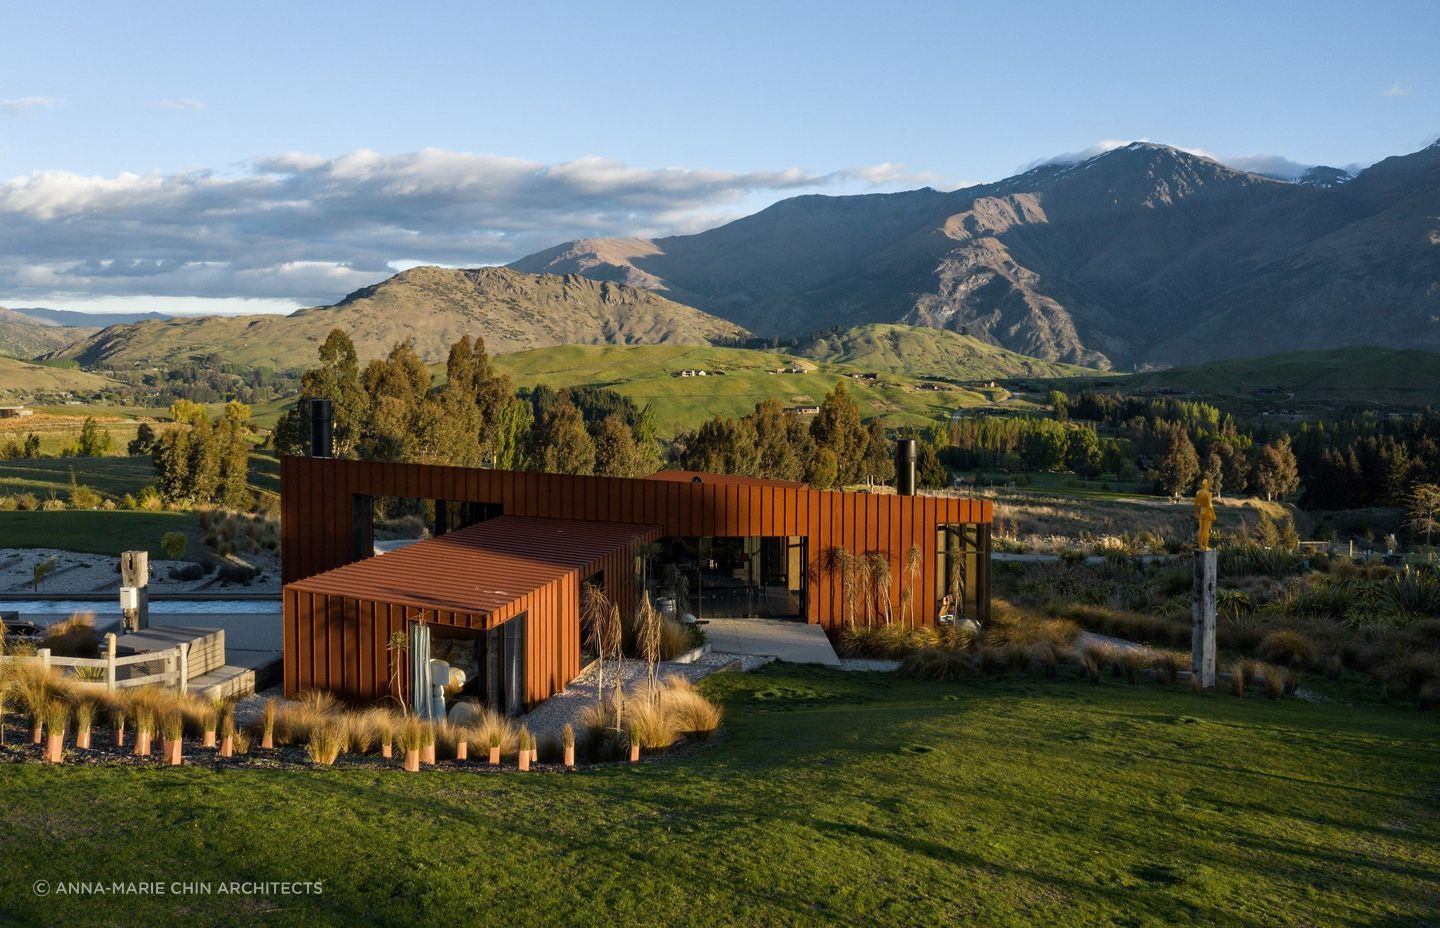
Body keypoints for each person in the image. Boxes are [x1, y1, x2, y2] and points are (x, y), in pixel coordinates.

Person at [1193, 478, 1216, 550]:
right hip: (1207, 512)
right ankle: (1205, 547)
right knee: (1206, 530)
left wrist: (1196, 513)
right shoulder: (1208, 494)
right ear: (1207, 485)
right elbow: (1209, 506)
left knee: (1200, 530)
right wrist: (1213, 514)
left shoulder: (1199, 493)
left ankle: (1200, 546)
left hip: (1202, 511)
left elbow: (1195, 505)